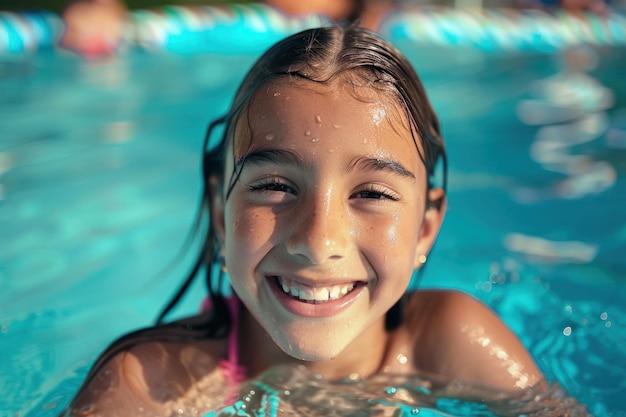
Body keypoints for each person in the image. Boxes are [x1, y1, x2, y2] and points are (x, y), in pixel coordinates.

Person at [62, 25, 548, 417]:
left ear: (425, 228)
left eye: (372, 193)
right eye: (275, 187)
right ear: (219, 214)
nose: (318, 241)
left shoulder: (452, 344)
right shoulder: (154, 384)